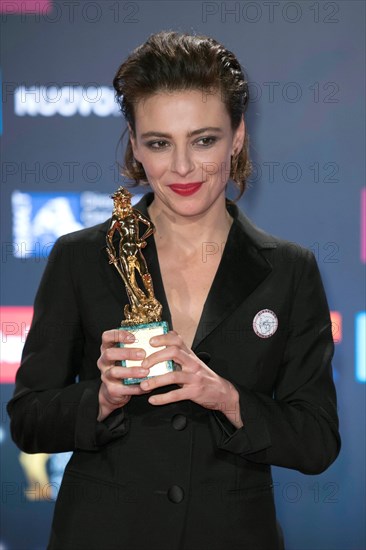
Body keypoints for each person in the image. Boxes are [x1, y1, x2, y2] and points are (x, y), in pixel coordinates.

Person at [7, 31, 341, 550]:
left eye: (203, 139)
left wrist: (227, 397)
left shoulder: (290, 271)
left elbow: (317, 440)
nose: (182, 167)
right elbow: (28, 421)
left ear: (237, 138)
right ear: (136, 146)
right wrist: (101, 398)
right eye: (160, 143)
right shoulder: (81, 257)